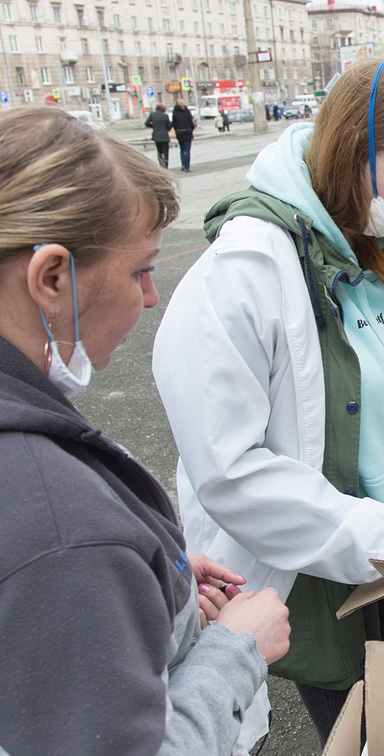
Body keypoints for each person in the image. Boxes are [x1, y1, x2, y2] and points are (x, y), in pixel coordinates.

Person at [152, 54, 384, 745]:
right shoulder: (245, 270)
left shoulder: (366, 243)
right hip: (319, 571)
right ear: (352, 150)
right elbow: (231, 471)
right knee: (368, 732)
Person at [0, 106, 291, 754]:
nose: (153, 295)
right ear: (51, 278)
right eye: (139, 270)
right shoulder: (66, 535)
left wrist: (147, 574)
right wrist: (234, 651)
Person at [171, 99, 197, 173]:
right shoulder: (187, 111)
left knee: (182, 149)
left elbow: (174, 124)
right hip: (187, 132)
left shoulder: (175, 112)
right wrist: (191, 129)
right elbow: (191, 123)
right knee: (187, 150)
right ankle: (187, 167)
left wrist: (177, 130)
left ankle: (183, 165)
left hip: (179, 133)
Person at [145, 102, 172, 168]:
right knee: (166, 151)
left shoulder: (152, 115)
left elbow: (146, 123)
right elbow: (169, 126)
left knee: (159, 151)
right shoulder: (165, 116)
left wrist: (153, 126)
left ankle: (161, 163)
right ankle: (166, 165)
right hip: (164, 136)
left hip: (156, 136)